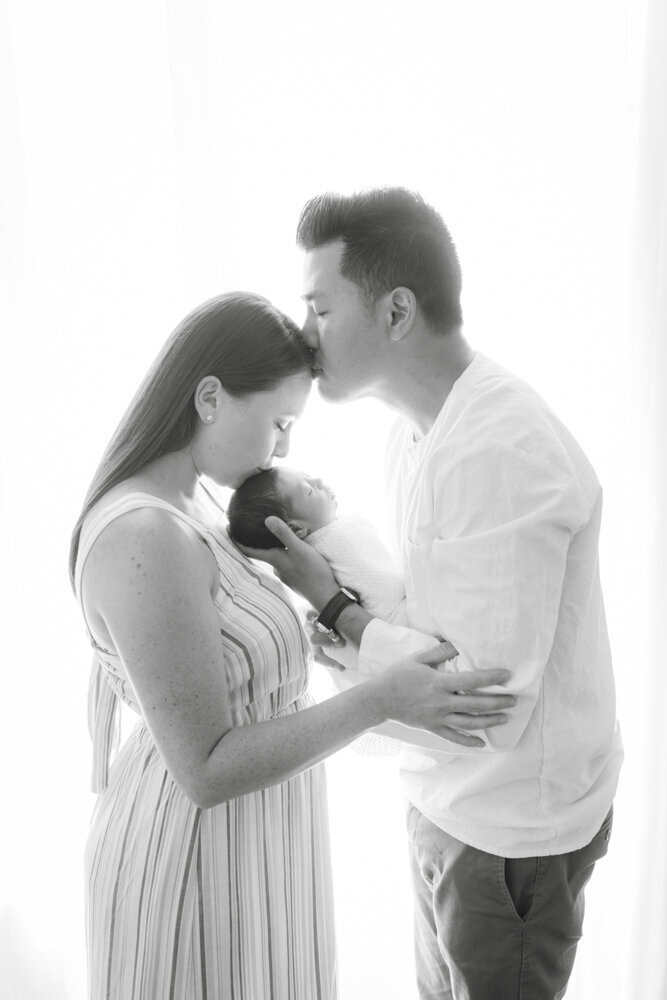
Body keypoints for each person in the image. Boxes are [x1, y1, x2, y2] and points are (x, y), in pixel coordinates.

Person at [69, 290, 516, 1000]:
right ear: (209, 397)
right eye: (279, 422)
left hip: (257, 850)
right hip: (191, 861)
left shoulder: (199, 505)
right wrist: (380, 698)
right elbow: (206, 769)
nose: (283, 448)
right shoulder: (145, 535)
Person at [241, 190, 625, 1000]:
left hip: (508, 832)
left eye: (319, 307)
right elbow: (428, 634)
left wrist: (341, 613)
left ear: (396, 311)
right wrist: (360, 636)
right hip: (444, 806)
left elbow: (483, 704)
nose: (302, 335)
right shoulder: (413, 434)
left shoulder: (498, 448)